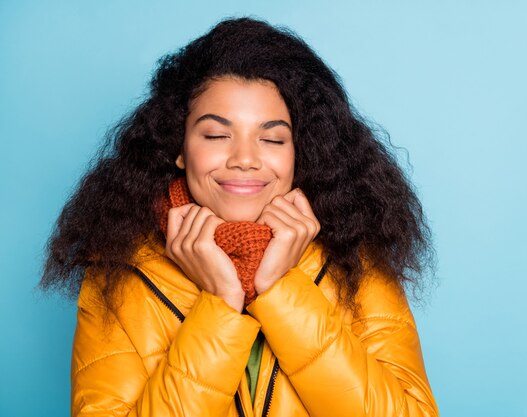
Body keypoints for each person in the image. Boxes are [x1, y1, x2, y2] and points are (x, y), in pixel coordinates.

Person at [41, 17, 439, 417]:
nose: (245, 159)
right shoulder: (118, 274)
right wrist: (220, 304)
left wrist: (281, 291)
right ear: (179, 148)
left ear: (299, 152)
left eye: (272, 138)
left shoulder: (356, 261)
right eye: (216, 135)